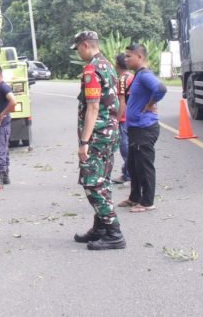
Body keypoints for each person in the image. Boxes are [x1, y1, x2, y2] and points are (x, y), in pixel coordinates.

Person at [71, 30, 126, 250]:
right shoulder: (108, 65)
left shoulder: (92, 70)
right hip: (109, 133)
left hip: (97, 137)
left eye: (78, 48)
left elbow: (93, 107)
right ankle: (100, 228)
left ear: (85, 45)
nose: (78, 53)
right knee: (103, 181)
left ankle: (114, 233)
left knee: (92, 184)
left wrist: (84, 142)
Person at [119, 43, 167, 213]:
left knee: (144, 166)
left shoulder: (145, 75)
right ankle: (134, 197)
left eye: (129, 56)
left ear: (139, 57)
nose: (125, 59)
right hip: (135, 128)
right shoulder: (138, 75)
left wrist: (151, 104)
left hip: (144, 128)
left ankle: (147, 202)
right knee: (133, 165)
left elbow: (161, 88)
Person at [112, 53, 134, 184]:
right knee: (129, 147)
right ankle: (127, 173)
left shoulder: (122, 80)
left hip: (124, 119)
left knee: (125, 148)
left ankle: (129, 174)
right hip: (132, 117)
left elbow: (122, 102)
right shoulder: (131, 76)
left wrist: (116, 120)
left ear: (117, 64)